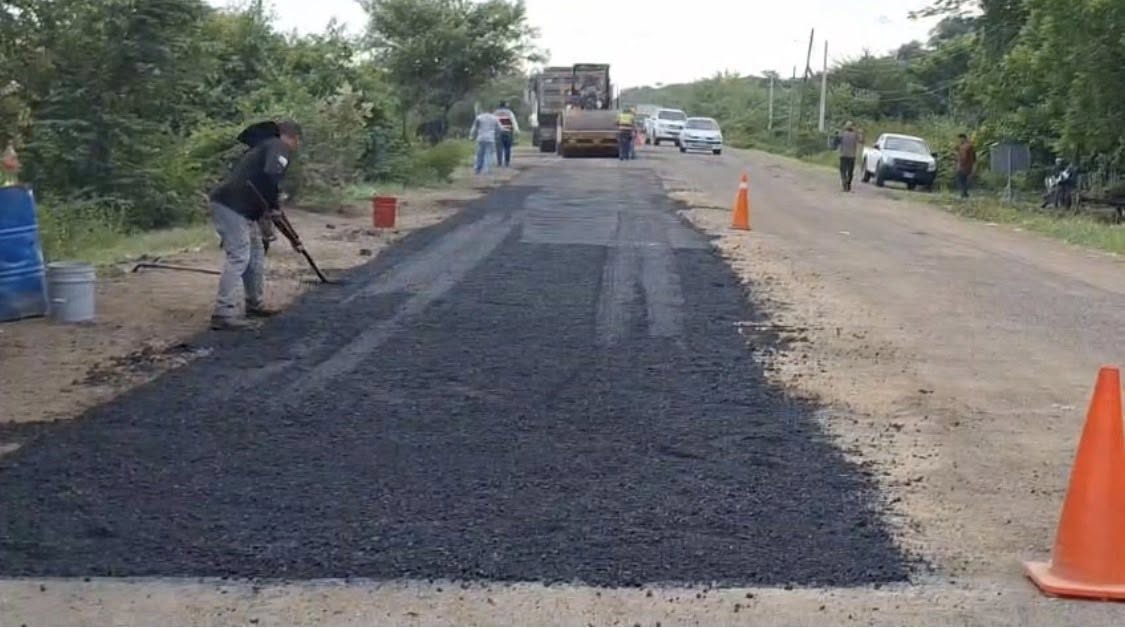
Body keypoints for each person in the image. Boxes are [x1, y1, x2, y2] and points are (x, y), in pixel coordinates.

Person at [207, 120, 301, 331]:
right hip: (232, 206)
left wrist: (275, 208)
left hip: (241, 207)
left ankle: (254, 304)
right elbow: (272, 173)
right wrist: (274, 201)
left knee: (256, 252)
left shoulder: (263, 147)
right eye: (297, 142)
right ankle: (224, 312)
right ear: (294, 137)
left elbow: (267, 186)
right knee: (240, 254)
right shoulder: (278, 146)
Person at [469, 109, 501, 175]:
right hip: (490, 138)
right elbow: (499, 128)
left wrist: (471, 135)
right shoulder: (494, 118)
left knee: (479, 155)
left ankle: (477, 169)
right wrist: (497, 135)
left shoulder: (479, 117)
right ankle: (487, 170)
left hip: (481, 138)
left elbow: (474, 127)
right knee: (488, 154)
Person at [493, 101, 520, 168]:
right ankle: (507, 162)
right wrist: (516, 131)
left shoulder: (495, 113)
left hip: (499, 133)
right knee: (507, 148)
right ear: (505, 105)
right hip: (508, 132)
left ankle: (499, 163)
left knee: (499, 148)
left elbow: (494, 123)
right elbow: (513, 121)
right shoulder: (509, 112)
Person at [837, 122, 861, 192]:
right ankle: (848, 184)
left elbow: (837, 141)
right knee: (850, 172)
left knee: (843, 171)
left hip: (843, 155)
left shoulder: (842, 134)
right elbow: (861, 140)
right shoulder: (855, 135)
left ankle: (844, 184)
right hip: (852, 156)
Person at [955, 133, 977, 199]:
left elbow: (967, 158)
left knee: (961, 179)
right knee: (963, 180)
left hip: (965, 166)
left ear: (964, 138)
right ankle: (965, 193)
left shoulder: (967, 147)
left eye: (960, 138)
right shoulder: (964, 146)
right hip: (965, 166)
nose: (959, 140)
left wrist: (959, 165)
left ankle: (964, 193)